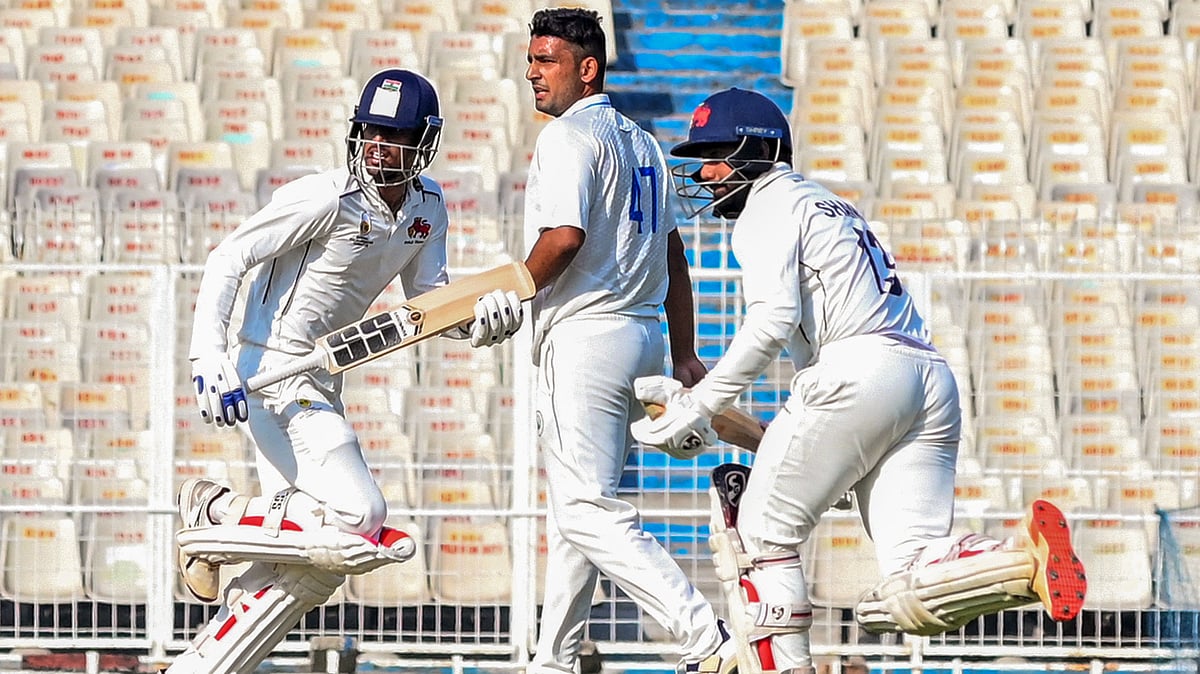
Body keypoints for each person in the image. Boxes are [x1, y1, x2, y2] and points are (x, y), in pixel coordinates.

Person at [632, 88, 1088, 674]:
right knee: (908, 586)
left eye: (717, 154)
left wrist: (701, 405)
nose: (705, 172)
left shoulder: (768, 204)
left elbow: (772, 321)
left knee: (760, 536)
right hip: (925, 378)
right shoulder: (829, 204)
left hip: (857, 371)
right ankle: (1020, 559)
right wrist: (710, 409)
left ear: (760, 150)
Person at [167, 68, 524, 674]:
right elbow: (229, 256)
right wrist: (208, 355)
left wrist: (480, 321)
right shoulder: (325, 197)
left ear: (424, 140)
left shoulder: (428, 207)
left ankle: (205, 658)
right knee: (360, 517)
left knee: (294, 564)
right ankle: (216, 511)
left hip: (322, 377)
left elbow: (428, 304)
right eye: (371, 132)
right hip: (270, 371)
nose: (378, 147)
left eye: (395, 136)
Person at [520, 8, 737, 674]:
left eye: (547, 60)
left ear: (587, 68)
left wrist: (512, 290)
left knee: (586, 509)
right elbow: (674, 254)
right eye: (531, 60)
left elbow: (564, 238)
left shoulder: (565, 137)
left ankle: (703, 636)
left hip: (585, 337)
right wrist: (683, 351)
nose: (533, 73)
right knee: (577, 513)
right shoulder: (643, 141)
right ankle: (552, 661)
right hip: (642, 336)